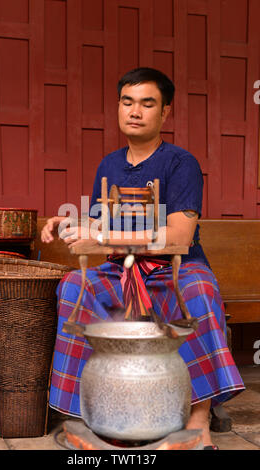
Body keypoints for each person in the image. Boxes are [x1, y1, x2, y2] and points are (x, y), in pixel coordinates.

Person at [41, 67, 245, 449]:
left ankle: (197, 418)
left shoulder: (180, 163)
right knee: (74, 287)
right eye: (127, 102)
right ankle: (94, 412)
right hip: (123, 267)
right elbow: (101, 225)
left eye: (147, 103)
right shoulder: (110, 165)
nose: (134, 111)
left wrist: (99, 233)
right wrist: (73, 223)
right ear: (119, 107)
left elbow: (178, 237)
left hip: (174, 268)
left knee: (199, 291)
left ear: (165, 112)